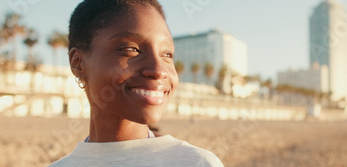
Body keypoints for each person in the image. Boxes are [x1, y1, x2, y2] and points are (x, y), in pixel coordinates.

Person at [50, 0, 223, 166]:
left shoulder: (196, 163)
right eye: (131, 50)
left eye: (167, 54)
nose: (158, 70)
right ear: (78, 63)